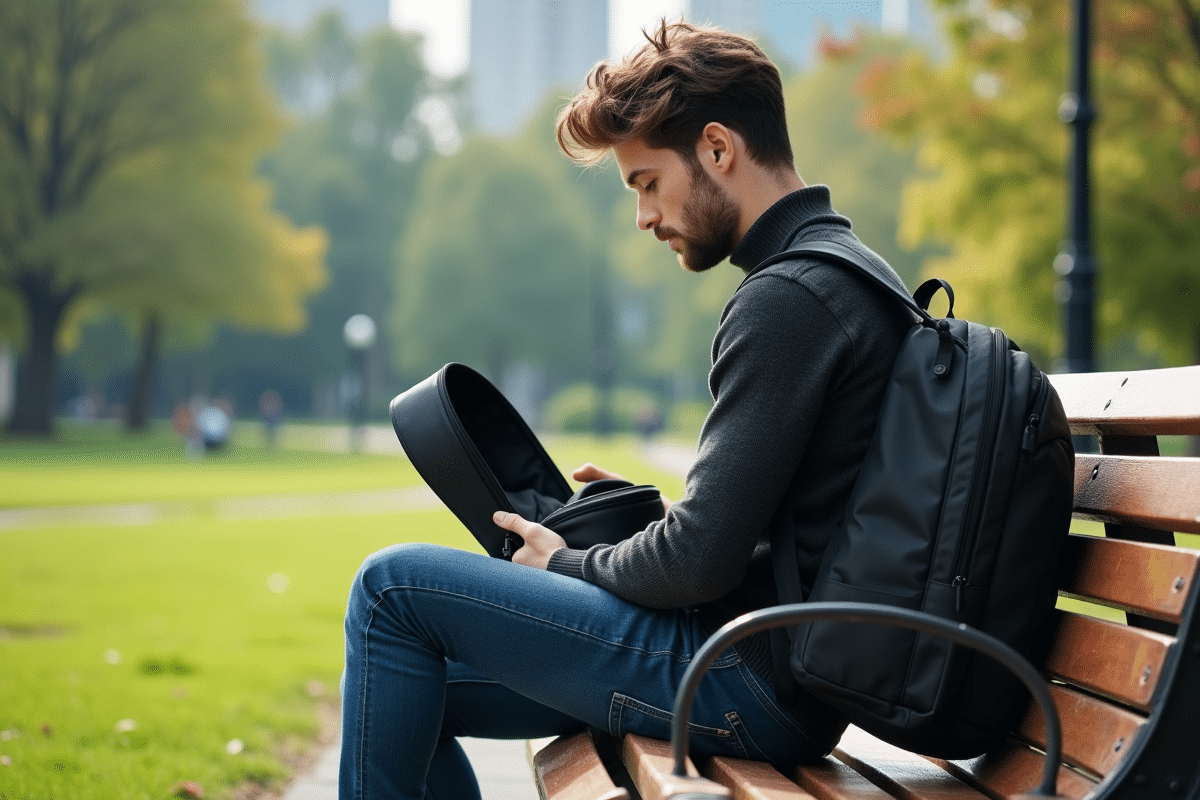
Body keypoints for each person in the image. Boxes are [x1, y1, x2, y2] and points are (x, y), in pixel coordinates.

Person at [339, 20, 914, 799]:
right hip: (772, 666)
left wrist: (565, 560)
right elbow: (784, 525)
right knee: (411, 671)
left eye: (647, 182)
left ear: (717, 149)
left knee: (390, 592)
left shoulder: (787, 299)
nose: (644, 216)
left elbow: (696, 562)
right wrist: (660, 524)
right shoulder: (847, 271)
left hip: (742, 680)